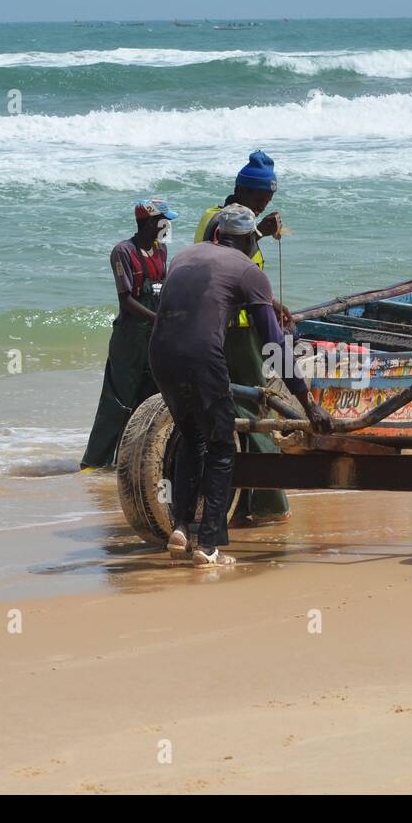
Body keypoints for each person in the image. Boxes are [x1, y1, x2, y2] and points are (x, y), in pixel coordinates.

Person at [149, 205, 331, 568]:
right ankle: (208, 545)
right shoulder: (250, 271)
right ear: (249, 241)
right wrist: (307, 404)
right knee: (220, 446)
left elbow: (199, 299)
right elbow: (275, 346)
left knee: (191, 437)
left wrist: (263, 303)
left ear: (217, 236)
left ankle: (182, 527)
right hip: (201, 355)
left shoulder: (187, 255)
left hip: (159, 353)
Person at [194, 150, 291, 526]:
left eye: (266, 201)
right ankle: (269, 503)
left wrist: (273, 303)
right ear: (239, 192)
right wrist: (257, 231)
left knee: (246, 406)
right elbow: (217, 253)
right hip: (231, 333)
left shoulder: (247, 225)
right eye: (256, 200)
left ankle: (250, 500)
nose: (261, 207)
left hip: (246, 326)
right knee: (253, 407)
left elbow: (245, 277)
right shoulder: (215, 218)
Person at [79, 198, 176, 470]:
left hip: (154, 338)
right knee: (117, 400)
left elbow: (164, 290)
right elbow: (126, 300)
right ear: (149, 223)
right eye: (164, 220)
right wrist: (159, 319)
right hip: (130, 338)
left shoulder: (161, 251)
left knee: (150, 397)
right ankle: (94, 463)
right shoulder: (123, 252)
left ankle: (133, 461)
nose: (167, 225)